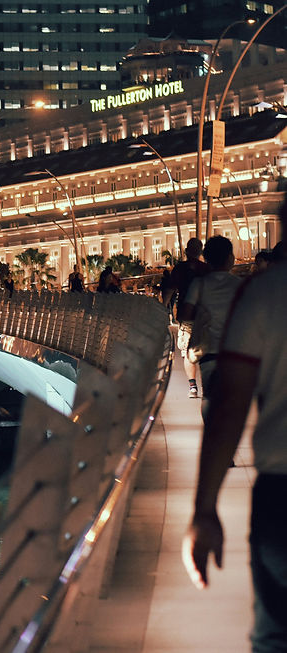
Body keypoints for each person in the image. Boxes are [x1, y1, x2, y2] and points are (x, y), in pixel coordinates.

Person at [182, 203, 287, 651]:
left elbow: (229, 408)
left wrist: (204, 510)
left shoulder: (264, 294)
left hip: (282, 487)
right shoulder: (249, 288)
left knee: (276, 634)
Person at [176, 236, 242, 415]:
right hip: (232, 350)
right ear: (230, 258)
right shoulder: (239, 284)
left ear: (206, 258)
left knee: (208, 396)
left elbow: (186, 314)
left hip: (207, 349)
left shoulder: (199, 284)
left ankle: (210, 428)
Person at [164, 237, 210, 398]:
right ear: (201, 251)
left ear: (186, 251)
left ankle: (193, 387)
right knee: (205, 349)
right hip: (204, 315)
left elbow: (170, 289)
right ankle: (206, 386)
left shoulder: (179, 269)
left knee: (187, 350)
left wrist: (164, 307)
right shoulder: (206, 269)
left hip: (186, 315)